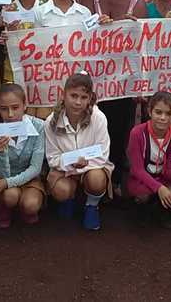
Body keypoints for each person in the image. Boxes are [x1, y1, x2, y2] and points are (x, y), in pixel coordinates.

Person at [79, 0, 147, 196]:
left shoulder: (137, 2)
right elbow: (78, 31)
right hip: (92, 77)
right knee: (89, 127)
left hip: (122, 80)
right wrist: (96, 25)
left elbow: (140, 45)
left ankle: (115, 179)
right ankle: (89, 179)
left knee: (118, 131)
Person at [45, 72, 113, 231]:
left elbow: (102, 155)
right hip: (64, 171)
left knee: (96, 179)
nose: (77, 102)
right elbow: (52, 158)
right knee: (62, 191)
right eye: (73, 95)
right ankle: (70, 198)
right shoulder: (51, 122)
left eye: (83, 97)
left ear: (90, 98)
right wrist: (71, 164)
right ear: (64, 94)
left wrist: (84, 165)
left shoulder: (99, 118)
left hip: (92, 168)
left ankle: (91, 205)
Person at [0, 84, 46, 228]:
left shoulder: (39, 126)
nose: (10, 114)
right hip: (4, 178)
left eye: (15, 107)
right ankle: (4, 207)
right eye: (4, 109)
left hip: (30, 178)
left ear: (25, 105)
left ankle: (26, 209)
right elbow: (1, 174)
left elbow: (36, 168)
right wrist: (2, 153)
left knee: (30, 206)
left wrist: (8, 183)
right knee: (9, 197)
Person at [127, 92, 171, 228]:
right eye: (158, 112)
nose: (163, 118)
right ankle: (142, 209)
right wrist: (159, 188)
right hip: (142, 178)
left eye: (168, 113)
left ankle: (165, 211)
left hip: (165, 179)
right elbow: (137, 170)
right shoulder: (137, 133)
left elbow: (169, 174)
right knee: (142, 196)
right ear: (149, 111)